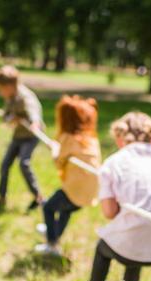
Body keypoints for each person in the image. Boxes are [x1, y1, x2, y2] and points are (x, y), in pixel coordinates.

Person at [73, 112, 151, 281]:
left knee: (103, 247)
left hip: (130, 248)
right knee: (136, 227)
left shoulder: (113, 162)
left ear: (120, 139)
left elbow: (109, 212)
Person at [35, 95, 102, 256]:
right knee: (66, 210)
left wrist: (54, 150)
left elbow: (59, 161)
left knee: (49, 207)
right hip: (91, 192)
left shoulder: (68, 138)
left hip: (75, 190)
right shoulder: (91, 139)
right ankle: (54, 233)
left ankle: (52, 245)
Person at [0, 65, 44, 211]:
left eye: (1, 89)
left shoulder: (25, 96)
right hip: (18, 136)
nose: (0, 92)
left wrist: (35, 123)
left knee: (24, 163)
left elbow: (33, 110)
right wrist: (11, 119)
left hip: (30, 136)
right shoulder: (10, 97)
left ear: (9, 86)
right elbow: (6, 116)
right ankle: (1, 197)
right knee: (5, 165)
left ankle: (39, 197)